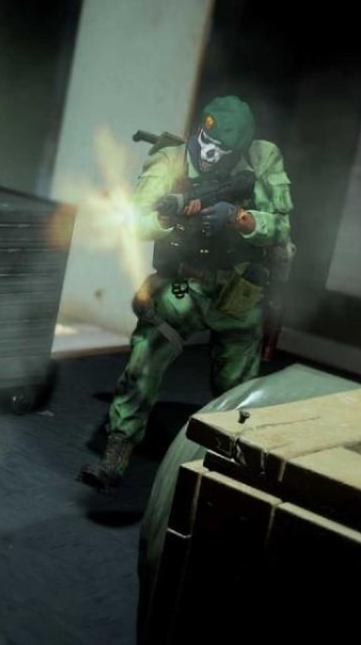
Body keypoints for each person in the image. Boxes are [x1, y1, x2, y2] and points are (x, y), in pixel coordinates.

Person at [77, 95, 295, 491]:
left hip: (238, 290)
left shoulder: (262, 161)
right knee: (144, 363)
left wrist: (239, 218)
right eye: (204, 142)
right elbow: (135, 221)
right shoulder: (170, 161)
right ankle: (117, 451)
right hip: (183, 286)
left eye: (221, 150)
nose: (209, 154)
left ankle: (228, 471)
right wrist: (169, 217)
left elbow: (280, 228)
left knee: (238, 391)